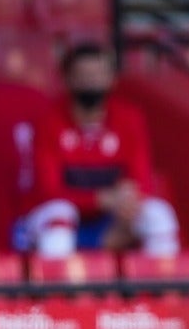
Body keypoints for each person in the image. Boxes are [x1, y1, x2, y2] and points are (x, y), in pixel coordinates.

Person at [18, 43, 180, 258]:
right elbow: (48, 192)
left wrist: (127, 201)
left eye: (98, 74)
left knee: (159, 215)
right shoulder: (48, 123)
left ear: (112, 80)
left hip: (110, 218)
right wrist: (99, 200)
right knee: (59, 220)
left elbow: (141, 181)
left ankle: (162, 287)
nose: (91, 81)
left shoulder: (129, 119)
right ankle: (59, 290)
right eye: (83, 75)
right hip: (53, 221)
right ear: (66, 80)